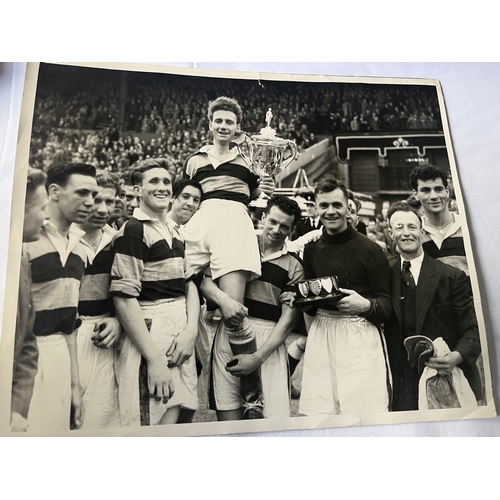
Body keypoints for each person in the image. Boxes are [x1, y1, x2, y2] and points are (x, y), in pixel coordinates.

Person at [182, 96, 274, 418]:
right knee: (187, 283)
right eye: (218, 121)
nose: (223, 126)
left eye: (229, 122)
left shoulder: (250, 159)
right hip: (202, 223)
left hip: (235, 224)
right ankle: (201, 395)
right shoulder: (195, 160)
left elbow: (258, 196)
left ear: (237, 128)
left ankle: (250, 398)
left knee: (234, 317)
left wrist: (266, 190)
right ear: (210, 124)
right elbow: (190, 197)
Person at [110, 158, 200, 426]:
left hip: (180, 332)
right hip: (150, 334)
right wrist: (154, 361)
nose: (162, 187)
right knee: (151, 427)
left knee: (180, 415)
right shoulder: (133, 231)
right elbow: (124, 298)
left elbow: (188, 284)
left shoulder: (176, 231)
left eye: (166, 182)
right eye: (153, 181)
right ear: (137, 190)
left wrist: (190, 331)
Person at [201, 195, 304, 419]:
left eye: (284, 226)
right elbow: (204, 280)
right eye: (273, 222)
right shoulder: (237, 245)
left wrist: (257, 357)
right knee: (229, 417)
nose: (276, 230)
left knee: (269, 422)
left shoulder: (294, 264)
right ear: (264, 217)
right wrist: (224, 300)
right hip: (229, 335)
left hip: (268, 345)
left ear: (292, 229)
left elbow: (287, 321)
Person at [298, 176, 392, 417]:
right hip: (322, 334)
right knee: (320, 415)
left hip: (359, 334)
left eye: (337, 205)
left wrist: (366, 305)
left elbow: (387, 306)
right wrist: (298, 298)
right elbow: (311, 305)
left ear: (348, 206)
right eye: (324, 206)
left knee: (364, 415)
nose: (331, 211)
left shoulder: (371, 249)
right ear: (316, 208)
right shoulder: (311, 250)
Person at [384, 202, 482, 411]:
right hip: (401, 380)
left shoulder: (451, 276)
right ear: (390, 233)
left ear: (421, 231)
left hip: (442, 375)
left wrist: (456, 356)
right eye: (399, 227)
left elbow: (472, 329)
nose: (406, 233)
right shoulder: (383, 273)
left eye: (411, 227)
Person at [25, 162, 98, 432]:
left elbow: (70, 324)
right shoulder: (24, 239)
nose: (90, 202)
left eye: (94, 195)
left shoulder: (81, 248)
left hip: (60, 358)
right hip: (23, 357)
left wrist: (74, 384)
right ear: (54, 191)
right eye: (82, 193)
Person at [75, 170, 122, 429]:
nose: (104, 209)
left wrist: (117, 320)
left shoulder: (118, 240)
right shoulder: (64, 236)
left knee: (103, 418)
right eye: (98, 200)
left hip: (105, 337)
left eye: (111, 201)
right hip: (67, 337)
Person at [10, 167, 49, 432]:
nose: (47, 217)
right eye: (42, 207)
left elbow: (26, 344)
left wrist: (15, 409)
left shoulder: (23, 256)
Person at [410, 164, 468, 275]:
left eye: (438, 189)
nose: (434, 196)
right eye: (426, 190)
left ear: (447, 191)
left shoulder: (467, 225)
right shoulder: (413, 232)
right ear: (416, 194)